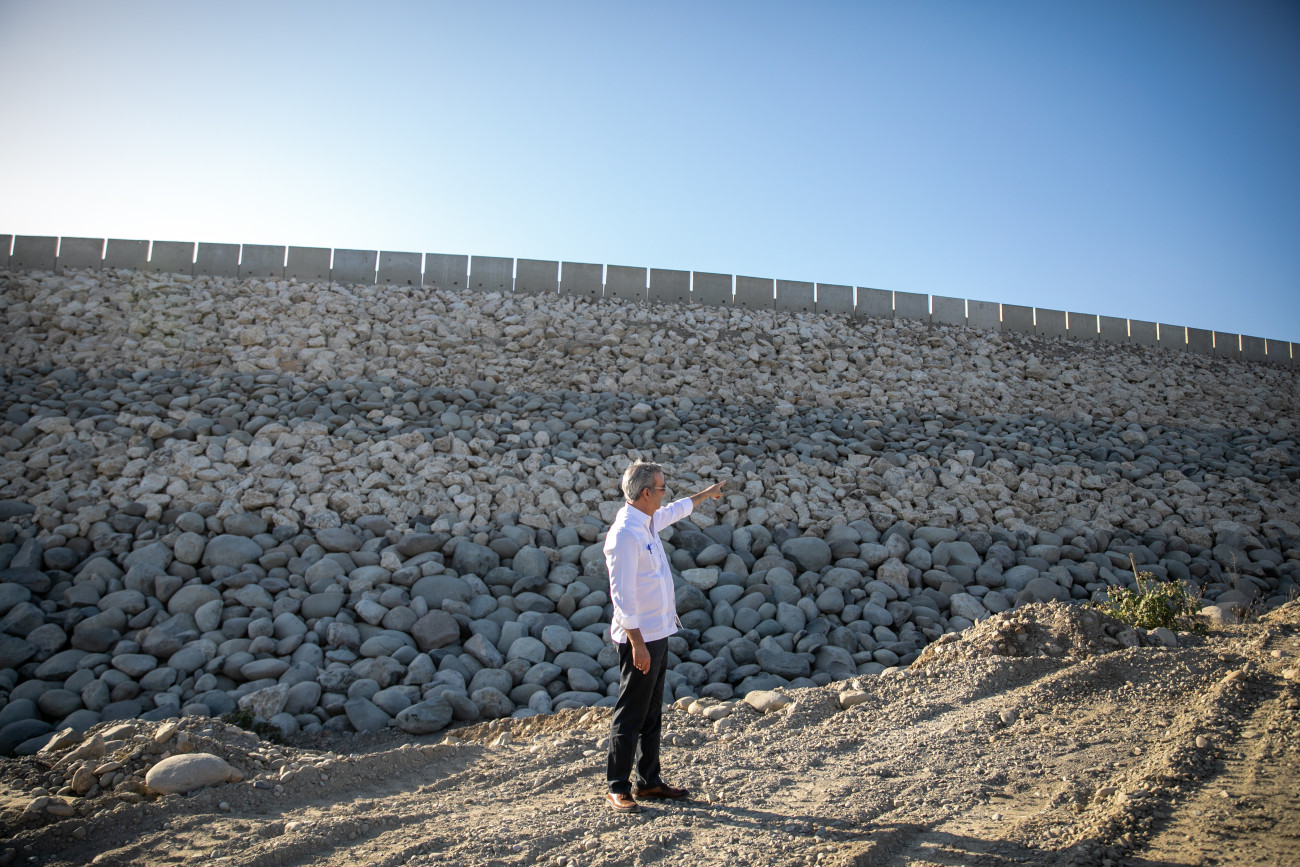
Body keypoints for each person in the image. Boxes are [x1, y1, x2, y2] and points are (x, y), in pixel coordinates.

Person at [603, 459, 726, 813]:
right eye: (661, 488)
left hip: (658, 632)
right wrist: (637, 644)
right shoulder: (625, 534)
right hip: (639, 638)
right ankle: (617, 786)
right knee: (631, 712)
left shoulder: (648, 519)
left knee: (652, 711)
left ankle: (649, 781)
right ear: (645, 493)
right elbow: (621, 597)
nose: (664, 493)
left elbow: (676, 510)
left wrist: (706, 494)